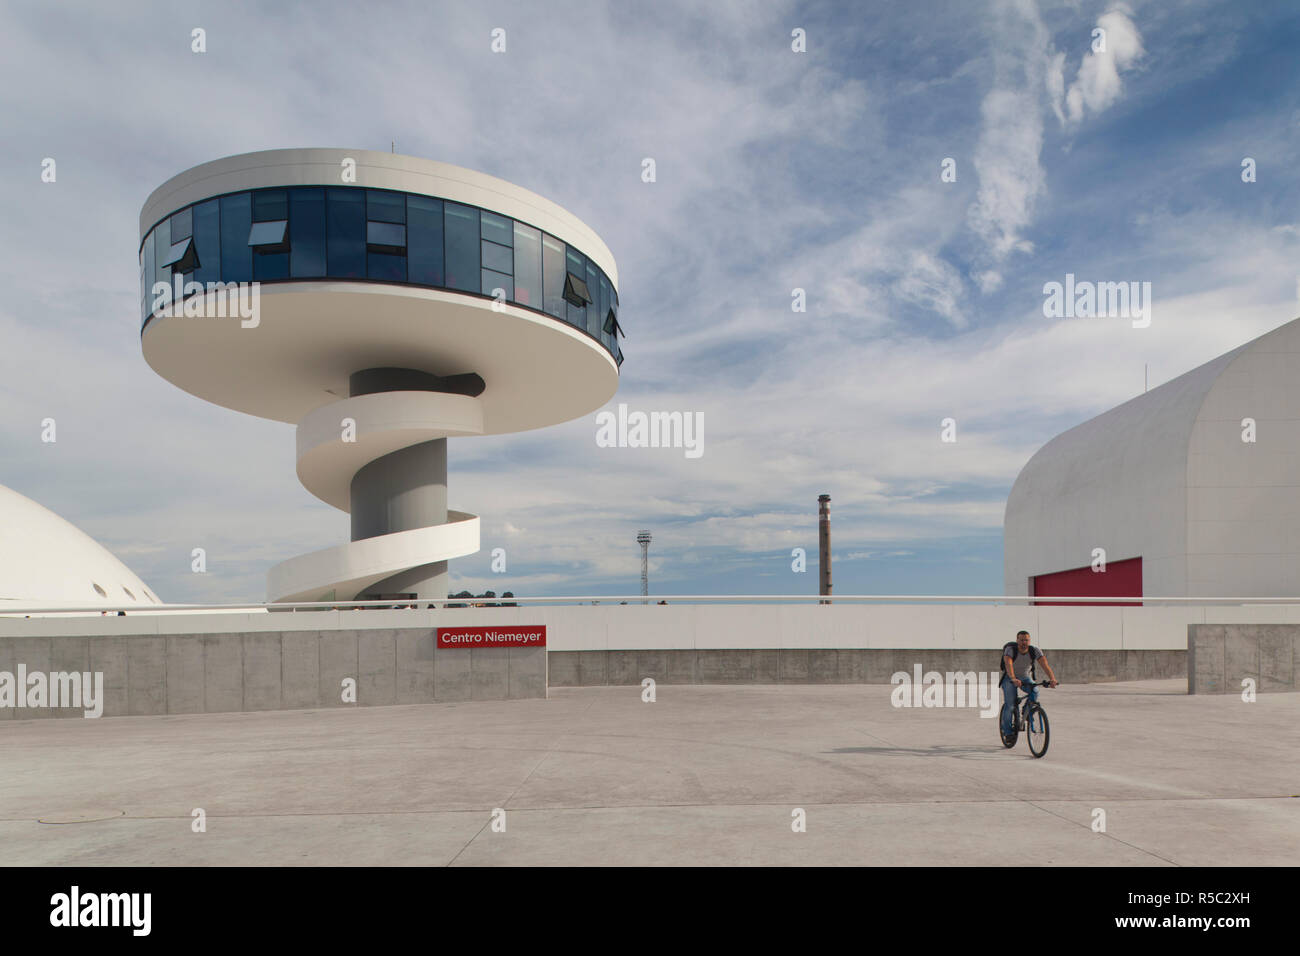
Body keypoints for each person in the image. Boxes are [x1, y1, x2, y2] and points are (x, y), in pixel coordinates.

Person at [1001, 630, 1058, 737]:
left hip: (1025, 678)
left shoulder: (1034, 651)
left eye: (1026, 640)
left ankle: (1026, 710)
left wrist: (1052, 679)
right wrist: (1013, 678)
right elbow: (1008, 664)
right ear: (1017, 640)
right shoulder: (1010, 650)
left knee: (1035, 691)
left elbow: (1045, 665)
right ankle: (1008, 732)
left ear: (1029, 641)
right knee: (1010, 705)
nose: (1024, 642)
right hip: (1010, 678)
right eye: (1021, 640)